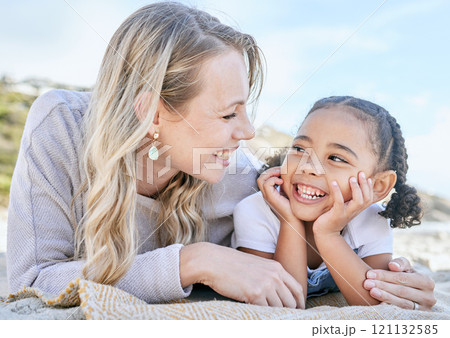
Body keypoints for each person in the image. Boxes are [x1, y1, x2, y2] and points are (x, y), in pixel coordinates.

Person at [7, 2, 435, 310]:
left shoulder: (237, 174)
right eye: (229, 113)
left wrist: (393, 274)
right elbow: (30, 282)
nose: (247, 132)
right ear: (153, 112)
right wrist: (195, 261)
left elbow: (316, 227)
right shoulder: (61, 127)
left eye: (245, 109)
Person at [232, 96, 435, 309]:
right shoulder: (254, 211)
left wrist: (327, 234)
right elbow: (286, 304)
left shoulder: (373, 220)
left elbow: (376, 304)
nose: (308, 166)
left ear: (378, 185)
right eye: (300, 149)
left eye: (336, 158)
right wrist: (289, 221)